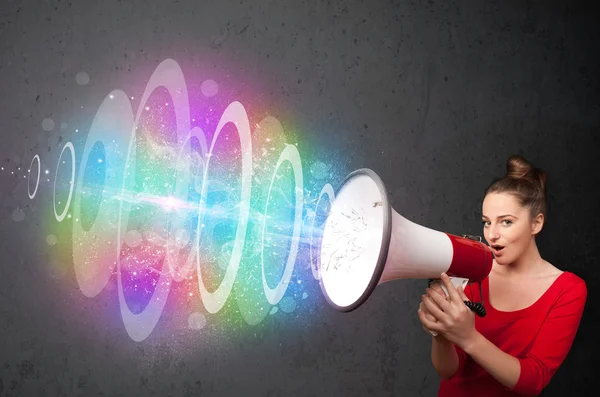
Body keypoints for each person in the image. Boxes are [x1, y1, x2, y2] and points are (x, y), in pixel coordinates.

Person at [417, 155, 587, 396]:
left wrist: (469, 338)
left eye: (506, 222)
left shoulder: (568, 290)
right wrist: (442, 334)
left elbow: (533, 380)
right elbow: (448, 371)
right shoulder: (473, 270)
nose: (492, 235)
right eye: (487, 223)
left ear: (536, 224)